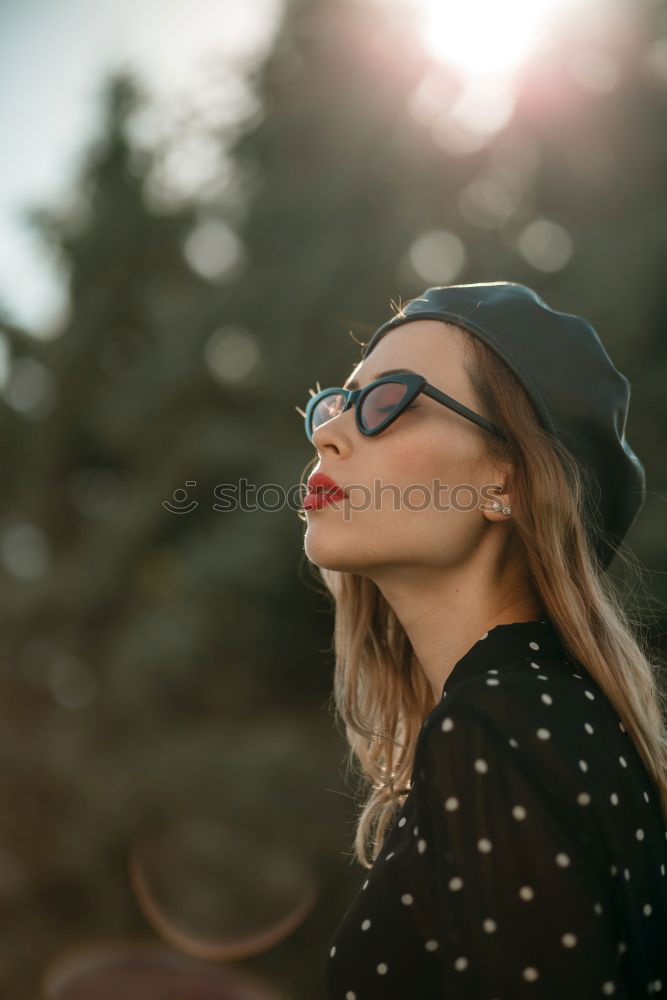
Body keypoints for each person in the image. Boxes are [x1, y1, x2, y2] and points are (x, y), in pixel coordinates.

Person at [296, 281, 667, 999]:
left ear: (509, 483)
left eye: (387, 402)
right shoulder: (548, 717)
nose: (326, 431)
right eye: (338, 401)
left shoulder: (498, 725)